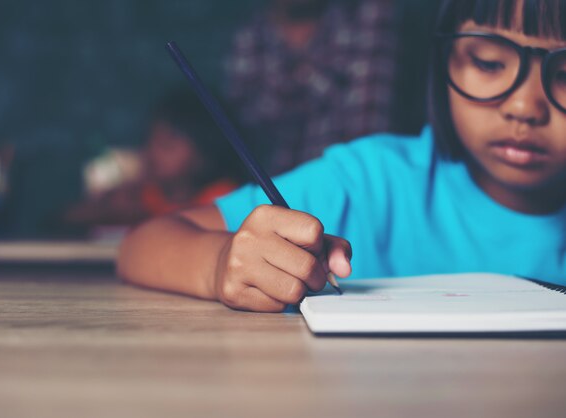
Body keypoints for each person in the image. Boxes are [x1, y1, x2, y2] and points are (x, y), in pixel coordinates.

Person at [118, 0, 566, 313]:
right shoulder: (370, 181)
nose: (524, 107)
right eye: (489, 62)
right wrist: (218, 264)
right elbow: (145, 243)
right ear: (443, 63)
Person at [224, 0, 400, 175]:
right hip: (271, 191)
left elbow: (367, 137)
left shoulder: (364, 16)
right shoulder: (248, 35)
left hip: (344, 187)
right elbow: (241, 143)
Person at [64, 90, 242, 234]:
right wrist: (106, 207)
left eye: (167, 146)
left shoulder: (225, 198)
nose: (152, 153)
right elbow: (68, 217)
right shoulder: (147, 195)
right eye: (149, 141)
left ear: (205, 157)